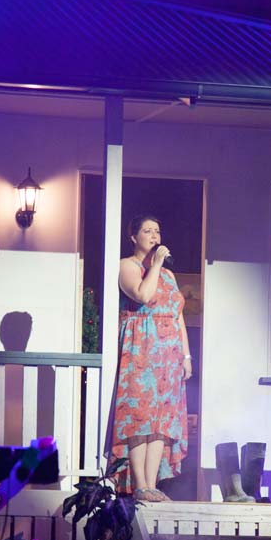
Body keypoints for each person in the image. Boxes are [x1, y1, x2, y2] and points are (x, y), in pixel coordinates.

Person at [110, 214, 190, 502]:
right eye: (147, 231)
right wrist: (154, 265)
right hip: (141, 347)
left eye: (157, 230)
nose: (154, 236)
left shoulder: (168, 275)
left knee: (161, 420)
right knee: (139, 416)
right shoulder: (127, 266)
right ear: (134, 237)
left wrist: (186, 355)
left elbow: (177, 315)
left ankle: (153, 484)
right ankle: (139, 484)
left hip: (168, 352)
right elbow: (143, 295)